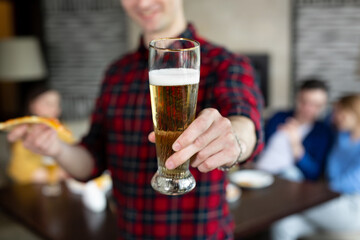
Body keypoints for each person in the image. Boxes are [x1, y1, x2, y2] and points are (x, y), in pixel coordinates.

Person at [7, 0, 263, 239]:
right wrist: (55, 148)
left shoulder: (227, 63)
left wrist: (235, 139)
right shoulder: (116, 72)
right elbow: (91, 161)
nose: (142, 3)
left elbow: (245, 121)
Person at [271, 94, 360, 240]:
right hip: (330, 199)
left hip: (352, 207)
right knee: (283, 224)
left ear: (355, 113)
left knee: (290, 194)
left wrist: (321, 193)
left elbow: (351, 181)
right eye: (335, 111)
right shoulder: (340, 135)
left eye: (340, 112)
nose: (335, 116)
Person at [256, 79, 333, 181]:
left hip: (285, 179)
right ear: (297, 99)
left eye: (315, 105)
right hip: (258, 171)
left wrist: (296, 145)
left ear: (323, 106)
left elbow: (313, 173)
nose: (308, 108)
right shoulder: (278, 117)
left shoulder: (322, 133)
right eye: (304, 102)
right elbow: (259, 144)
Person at [7, 84, 74, 184]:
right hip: (29, 187)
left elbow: (74, 155)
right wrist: (61, 174)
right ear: (32, 105)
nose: (55, 109)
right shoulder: (23, 130)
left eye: (57, 104)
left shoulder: (62, 128)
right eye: (49, 103)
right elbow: (21, 172)